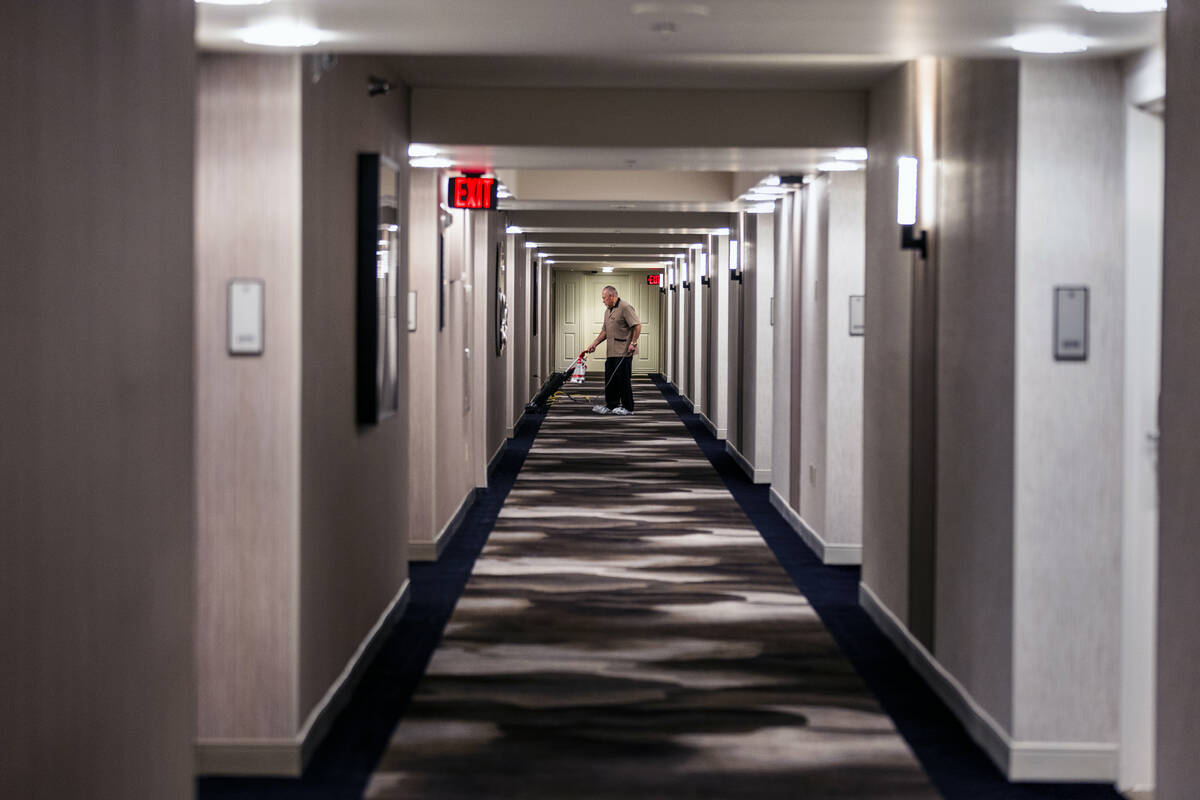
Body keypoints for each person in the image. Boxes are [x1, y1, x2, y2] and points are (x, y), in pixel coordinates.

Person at [585, 285, 640, 415]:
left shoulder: (625, 308)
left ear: (611, 296)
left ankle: (628, 407)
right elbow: (605, 331)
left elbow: (637, 325)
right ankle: (611, 405)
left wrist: (634, 342)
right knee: (610, 379)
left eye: (604, 298)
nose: (603, 300)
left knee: (623, 380)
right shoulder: (608, 311)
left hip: (624, 352)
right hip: (611, 352)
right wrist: (595, 343)